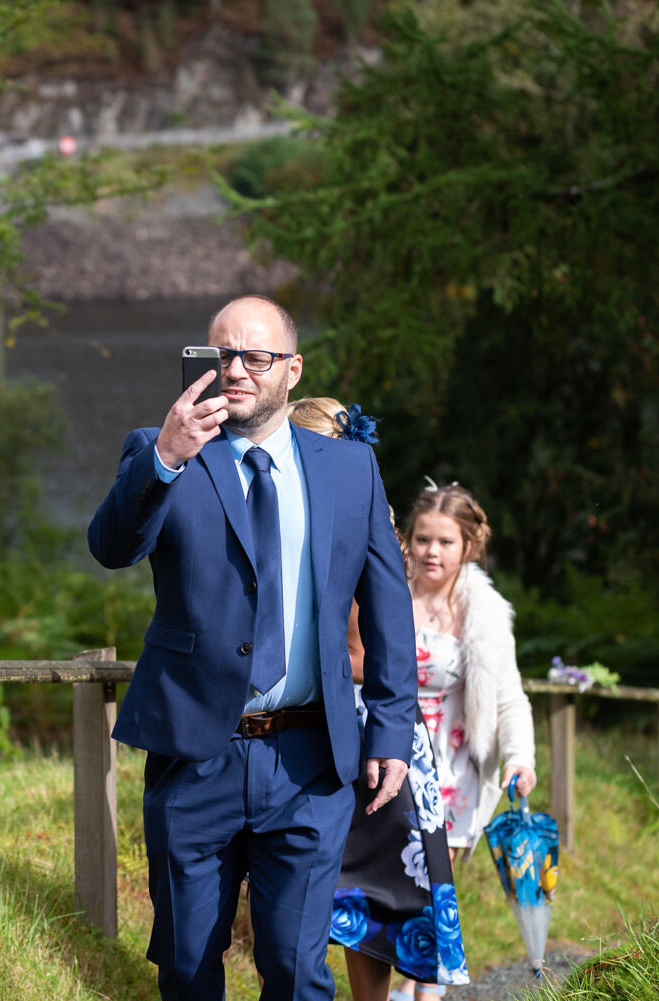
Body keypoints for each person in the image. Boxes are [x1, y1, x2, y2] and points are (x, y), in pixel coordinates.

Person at [88, 296, 418, 1001]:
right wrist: (168, 458)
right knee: (186, 967)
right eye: (221, 355)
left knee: (298, 972)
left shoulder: (349, 469)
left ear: (291, 370)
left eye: (256, 356)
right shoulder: (161, 449)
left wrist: (390, 725)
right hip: (193, 756)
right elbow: (110, 546)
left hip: (309, 762)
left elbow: (388, 604)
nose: (236, 370)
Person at [287, 400, 470, 1001]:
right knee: (360, 898)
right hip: (363, 727)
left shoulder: (355, 533)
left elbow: (370, 652)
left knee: (375, 896)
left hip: (369, 728)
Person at [383, 481, 536, 1001]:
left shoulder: (487, 615)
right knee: (394, 883)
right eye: (422, 538)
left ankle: (424, 989)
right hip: (389, 754)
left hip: (453, 772)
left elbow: (510, 698)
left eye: (445, 542)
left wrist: (520, 759)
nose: (431, 551)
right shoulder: (385, 591)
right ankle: (406, 979)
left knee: (432, 884)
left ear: (468, 546)